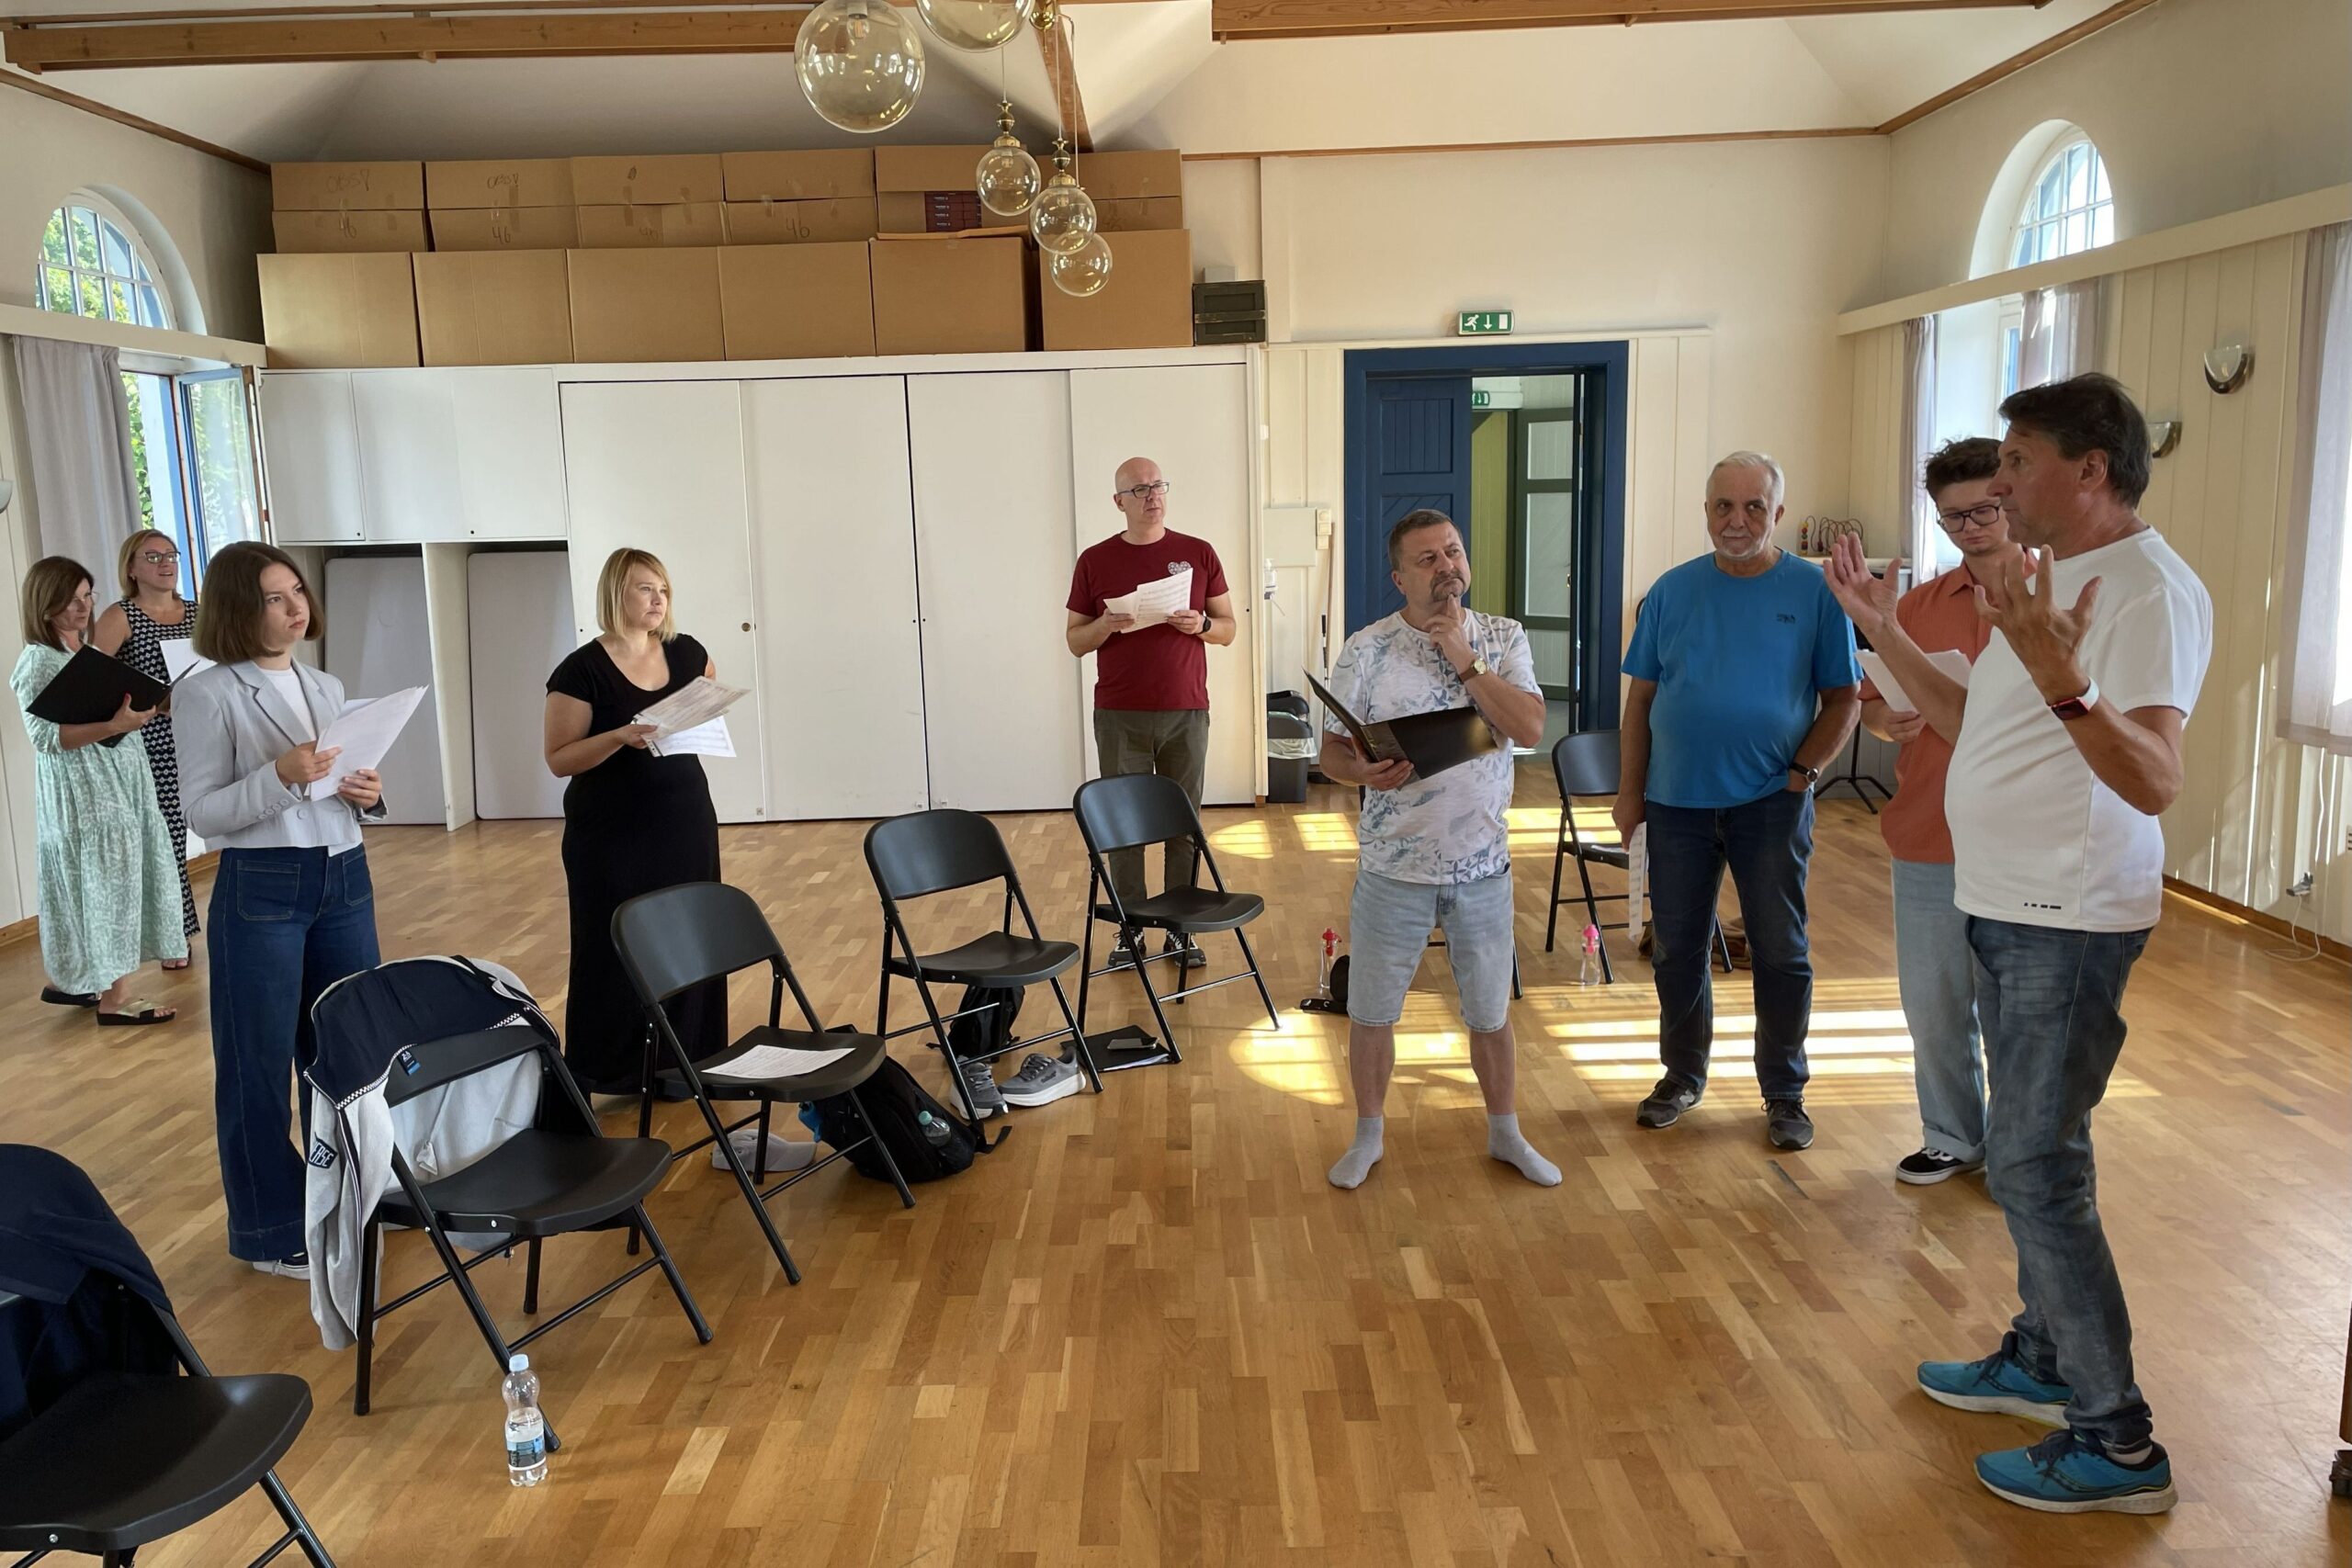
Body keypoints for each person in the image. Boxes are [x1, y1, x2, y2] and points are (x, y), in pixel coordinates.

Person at [1828, 373, 2209, 1516]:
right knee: (2037, 1150)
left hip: (2068, 917)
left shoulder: (2146, 590)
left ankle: (2117, 1443)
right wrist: (1881, 626)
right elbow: (1959, 721)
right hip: (2006, 904)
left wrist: (2062, 679)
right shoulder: (2050, 579)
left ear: (2089, 470)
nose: (1996, 482)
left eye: (2017, 460)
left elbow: (2153, 779)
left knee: (2034, 1168)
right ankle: (2043, 1361)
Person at [1615, 452, 1860, 1152]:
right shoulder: (1672, 591)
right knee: (1676, 949)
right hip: (1676, 803)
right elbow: (1641, 700)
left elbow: (1845, 698)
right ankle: (1681, 1075)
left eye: (1754, 507)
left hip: (1771, 802)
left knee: (1780, 949)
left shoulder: (1813, 592)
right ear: (1706, 511)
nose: (1737, 520)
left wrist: (1804, 772)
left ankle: (1784, 1090)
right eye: (1724, 505)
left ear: (1778, 513)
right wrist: (1630, 793)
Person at [1318, 509, 1554, 1190]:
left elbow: (1529, 727)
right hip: (1393, 868)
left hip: (1483, 866)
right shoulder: (1367, 649)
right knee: (1371, 1012)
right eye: (1427, 559)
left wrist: (1465, 658)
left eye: (1453, 551)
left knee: (1490, 1013)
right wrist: (1361, 772)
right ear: (1399, 578)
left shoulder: (1502, 637)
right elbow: (1330, 751)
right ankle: (1368, 1135)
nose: (1446, 566)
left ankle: (1505, 1132)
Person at [544, 549, 796, 1171]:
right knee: (614, 945)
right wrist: (618, 736)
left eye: (662, 589)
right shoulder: (580, 670)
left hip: (683, 818)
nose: (657, 600)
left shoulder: (688, 653)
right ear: (616, 594)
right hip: (610, 832)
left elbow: (705, 711)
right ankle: (613, 1069)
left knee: (690, 937)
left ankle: (688, 1060)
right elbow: (559, 758)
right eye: (643, 589)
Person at [175, 543, 383, 1280]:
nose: (296, 606)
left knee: (350, 1049)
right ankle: (269, 1228)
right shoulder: (207, 693)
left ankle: (356, 1193)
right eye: (274, 597)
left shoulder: (325, 683)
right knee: (256, 1064)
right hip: (261, 884)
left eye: (297, 590)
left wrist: (367, 793)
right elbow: (203, 812)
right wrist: (280, 776)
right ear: (240, 607)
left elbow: (346, 783)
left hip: (343, 873)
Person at [1857, 438, 2015, 1186]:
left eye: (1984, 510)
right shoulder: (1915, 608)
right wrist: (1887, 722)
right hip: (1928, 831)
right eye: (1954, 517)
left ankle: (2019, 1152)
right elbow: (1871, 707)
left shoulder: (2058, 594)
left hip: (2023, 841)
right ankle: (1952, 1134)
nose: (1971, 528)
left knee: (2017, 1011)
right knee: (1934, 1001)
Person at [1064, 457, 1236, 969]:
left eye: (1158, 485)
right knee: (1125, 826)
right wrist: (1105, 625)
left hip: (1187, 709)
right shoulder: (1095, 560)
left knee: (1184, 823)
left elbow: (1228, 627)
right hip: (1121, 714)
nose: (1152, 495)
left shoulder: (1198, 552)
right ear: (1119, 501)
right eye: (1139, 490)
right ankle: (1130, 928)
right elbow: (1075, 641)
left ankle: (1180, 930)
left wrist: (1202, 625)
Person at [9, 557, 187, 1023]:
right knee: (107, 880)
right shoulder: (39, 661)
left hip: (118, 780)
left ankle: (78, 981)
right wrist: (114, 724)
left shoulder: (81, 655)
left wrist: (145, 708)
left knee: (104, 880)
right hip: (86, 792)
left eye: (87, 596)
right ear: (45, 604)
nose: (84, 607)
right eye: (71, 600)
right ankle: (115, 999)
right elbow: (47, 738)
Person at [92, 527, 200, 964]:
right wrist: (150, 703)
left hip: (203, 734)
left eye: (171, 555)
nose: (166, 563)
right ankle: (176, 933)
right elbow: (93, 681)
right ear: (132, 569)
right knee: (168, 838)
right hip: (152, 741)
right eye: (153, 557)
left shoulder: (198, 612)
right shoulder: (120, 616)